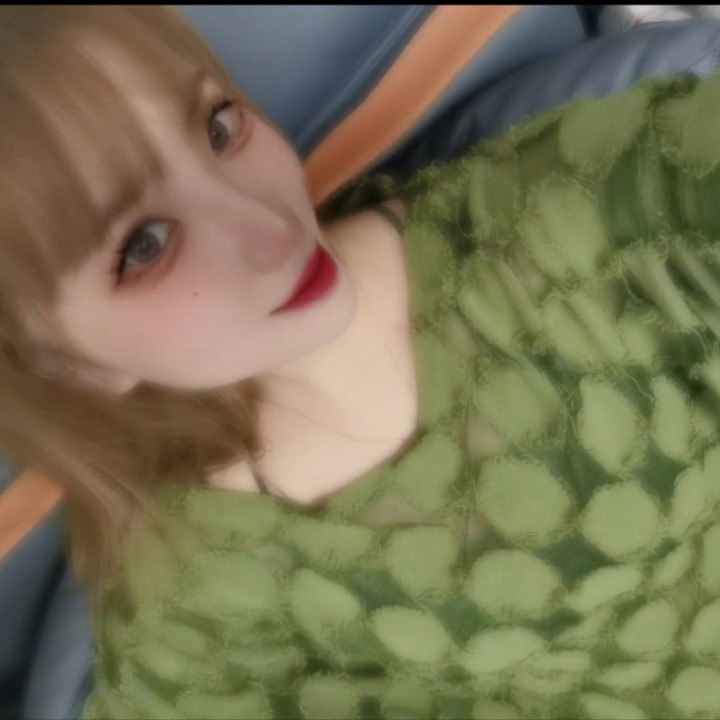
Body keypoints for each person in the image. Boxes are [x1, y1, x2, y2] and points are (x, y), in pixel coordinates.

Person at [1, 6, 719, 719]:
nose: (273, 227)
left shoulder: (570, 219)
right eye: (145, 246)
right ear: (64, 368)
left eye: (218, 128)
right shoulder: (194, 600)